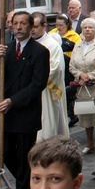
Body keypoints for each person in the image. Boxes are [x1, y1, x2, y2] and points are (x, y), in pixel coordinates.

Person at [0, 11, 50, 189]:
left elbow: (37, 84)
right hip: (5, 114)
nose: (19, 27)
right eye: (16, 23)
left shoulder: (39, 52)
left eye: (23, 23)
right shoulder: (5, 50)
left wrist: (13, 101)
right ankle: (28, 182)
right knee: (6, 154)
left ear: (31, 27)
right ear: (11, 26)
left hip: (24, 112)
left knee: (24, 157)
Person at [30, 12, 69, 141]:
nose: (32, 30)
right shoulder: (27, 44)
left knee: (46, 131)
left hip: (46, 93)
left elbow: (53, 69)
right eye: (30, 26)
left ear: (44, 26)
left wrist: (29, 77)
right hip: (28, 93)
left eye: (35, 26)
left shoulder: (52, 45)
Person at [69, 18, 95, 154]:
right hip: (82, 86)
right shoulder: (77, 45)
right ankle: (90, 143)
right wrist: (80, 75)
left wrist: (90, 75)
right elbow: (71, 65)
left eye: (91, 27)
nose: (87, 30)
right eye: (85, 28)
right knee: (86, 114)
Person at [51, 14, 82, 126]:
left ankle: (70, 115)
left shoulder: (74, 35)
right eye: (57, 25)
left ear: (67, 25)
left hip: (68, 66)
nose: (58, 27)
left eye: (61, 25)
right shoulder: (52, 34)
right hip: (55, 65)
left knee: (67, 94)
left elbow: (77, 51)